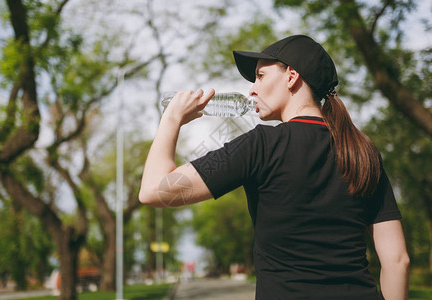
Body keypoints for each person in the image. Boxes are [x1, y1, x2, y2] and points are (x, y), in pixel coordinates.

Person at [139, 35, 410, 299]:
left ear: (291, 76)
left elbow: (154, 190)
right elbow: (398, 261)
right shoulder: (363, 151)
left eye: (260, 76)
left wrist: (172, 117)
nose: (252, 89)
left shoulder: (260, 146)